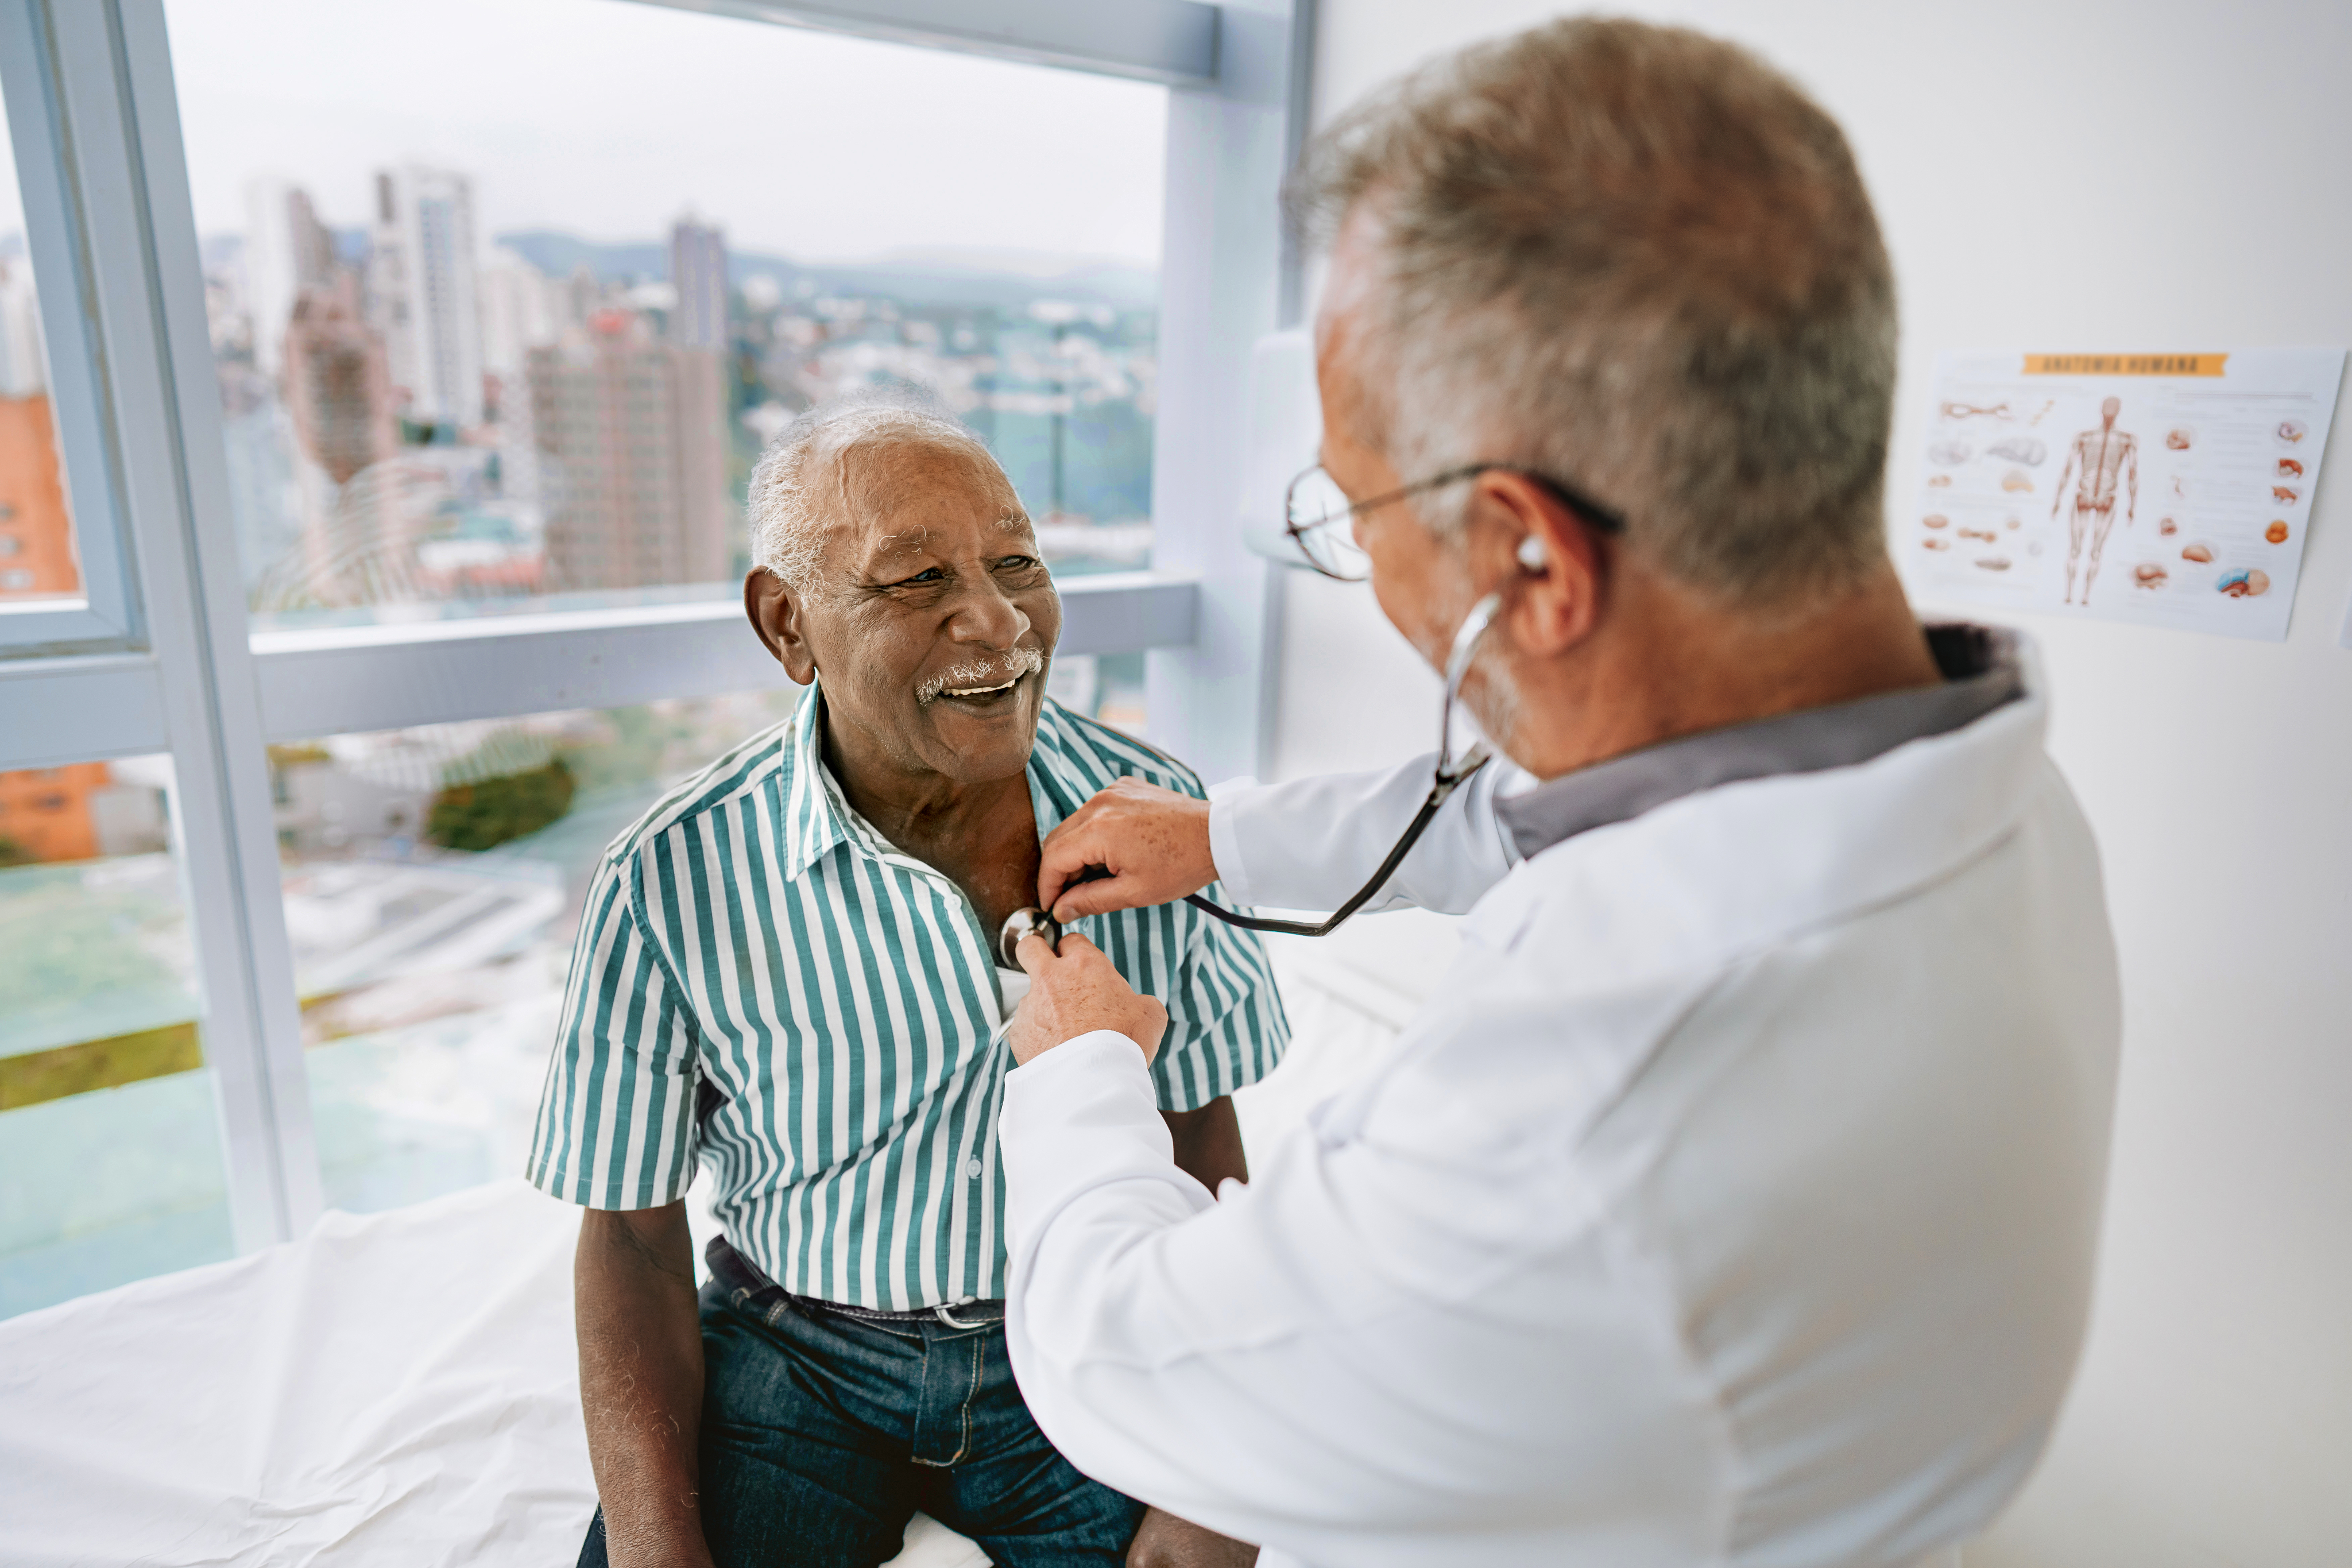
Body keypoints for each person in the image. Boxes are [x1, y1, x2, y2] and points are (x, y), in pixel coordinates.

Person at [996, 20, 2121, 1568]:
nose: (1360, 557)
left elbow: (1112, 1351)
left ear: (1531, 558)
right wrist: (1221, 836)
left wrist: (1079, 1065)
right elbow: (1545, 817)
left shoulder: (1589, 1123)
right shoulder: (1984, 790)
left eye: (1347, 506)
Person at [525, 394, 1285, 1567]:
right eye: (915, 579)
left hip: (1074, 1336)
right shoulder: (670, 876)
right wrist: (652, 1547)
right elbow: (627, 1234)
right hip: (796, 1355)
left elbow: (1203, 1148)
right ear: (787, 626)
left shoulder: (1157, 816)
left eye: (1016, 561)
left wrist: (1209, 1490)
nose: (994, 622)